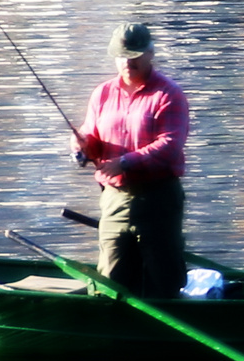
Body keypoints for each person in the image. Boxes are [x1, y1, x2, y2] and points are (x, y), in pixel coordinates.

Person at [74, 23, 190, 298]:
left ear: (150, 53)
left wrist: (125, 162)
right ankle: (113, 329)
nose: (129, 62)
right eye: (123, 56)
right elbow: (91, 136)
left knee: (164, 278)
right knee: (110, 280)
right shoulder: (102, 93)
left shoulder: (168, 94)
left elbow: (170, 146)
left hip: (158, 199)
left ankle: (169, 328)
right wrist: (82, 149)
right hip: (114, 199)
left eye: (136, 55)